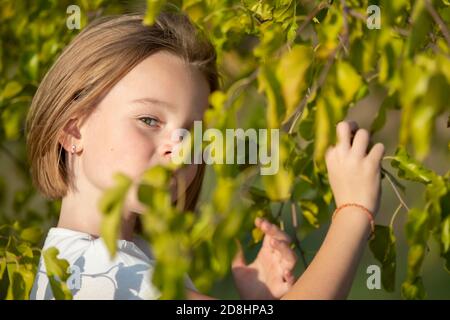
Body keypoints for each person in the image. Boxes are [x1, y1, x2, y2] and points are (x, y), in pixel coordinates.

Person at [26, 11, 384, 300]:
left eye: (193, 132)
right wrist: (353, 212)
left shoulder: (120, 259)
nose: (179, 148)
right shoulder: (101, 277)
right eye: (149, 119)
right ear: (73, 130)